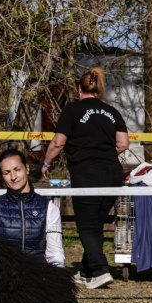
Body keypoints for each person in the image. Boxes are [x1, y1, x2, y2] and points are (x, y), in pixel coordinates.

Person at [42, 67, 129, 289]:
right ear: (98, 91)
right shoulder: (112, 112)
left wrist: (46, 163)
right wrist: (104, 153)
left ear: (79, 90)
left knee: (87, 224)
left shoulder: (72, 110)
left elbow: (58, 142)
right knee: (96, 222)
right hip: (113, 175)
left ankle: (100, 270)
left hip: (87, 174)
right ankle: (86, 270)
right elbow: (123, 144)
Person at [0, 149, 64, 267]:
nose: (13, 177)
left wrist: (58, 275)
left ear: (27, 169)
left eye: (17, 169)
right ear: (2, 176)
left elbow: (55, 254)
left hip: (38, 273)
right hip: (4, 274)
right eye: (6, 173)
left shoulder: (49, 208)